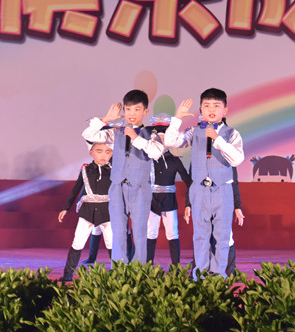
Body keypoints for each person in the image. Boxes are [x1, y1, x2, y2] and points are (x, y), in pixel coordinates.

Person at [164, 88, 244, 278]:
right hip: (199, 190)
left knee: (222, 236)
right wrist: (177, 118)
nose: (211, 109)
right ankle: (198, 275)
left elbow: (237, 159)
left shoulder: (232, 133)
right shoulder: (194, 131)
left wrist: (218, 140)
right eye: (207, 105)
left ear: (225, 110)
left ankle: (218, 275)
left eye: (216, 105)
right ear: (201, 109)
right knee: (200, 235)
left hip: (222, 190)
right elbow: (170, 141)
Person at [82, 89, 164, 263]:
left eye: (136, 109)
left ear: (145, 111)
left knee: (139, 231)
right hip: (117, 186)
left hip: (140, 187)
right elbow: (88, 135)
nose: (132, 114)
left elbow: (156, 152)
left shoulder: (152, 134)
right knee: (118, 230)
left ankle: (138, 269)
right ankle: (120, 269)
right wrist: (106, 119)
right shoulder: (116, 132)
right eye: (128, 109)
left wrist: (135, 137)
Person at [58, 142, 114, 281]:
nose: (103, 155)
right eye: (99, 151)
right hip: (87, 212)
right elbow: (76, 189)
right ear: (91, 153)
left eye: (108, 152)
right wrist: (66, 207)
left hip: (107, 212)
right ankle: (67, 275)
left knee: (112, 244)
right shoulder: (85, 170)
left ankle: (118, 275)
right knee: (77, 243)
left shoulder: (114, 170)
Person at [146, 114, 191, 265]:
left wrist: (188, 204)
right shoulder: (148, 159)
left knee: (172, 233)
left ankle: (176, 266)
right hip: (151, 201)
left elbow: (189, 182)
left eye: (164, 137)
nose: (161, 141)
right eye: (158, 137)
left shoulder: (174, 161)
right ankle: (148, 266)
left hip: (169, 201)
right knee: (151, 233)